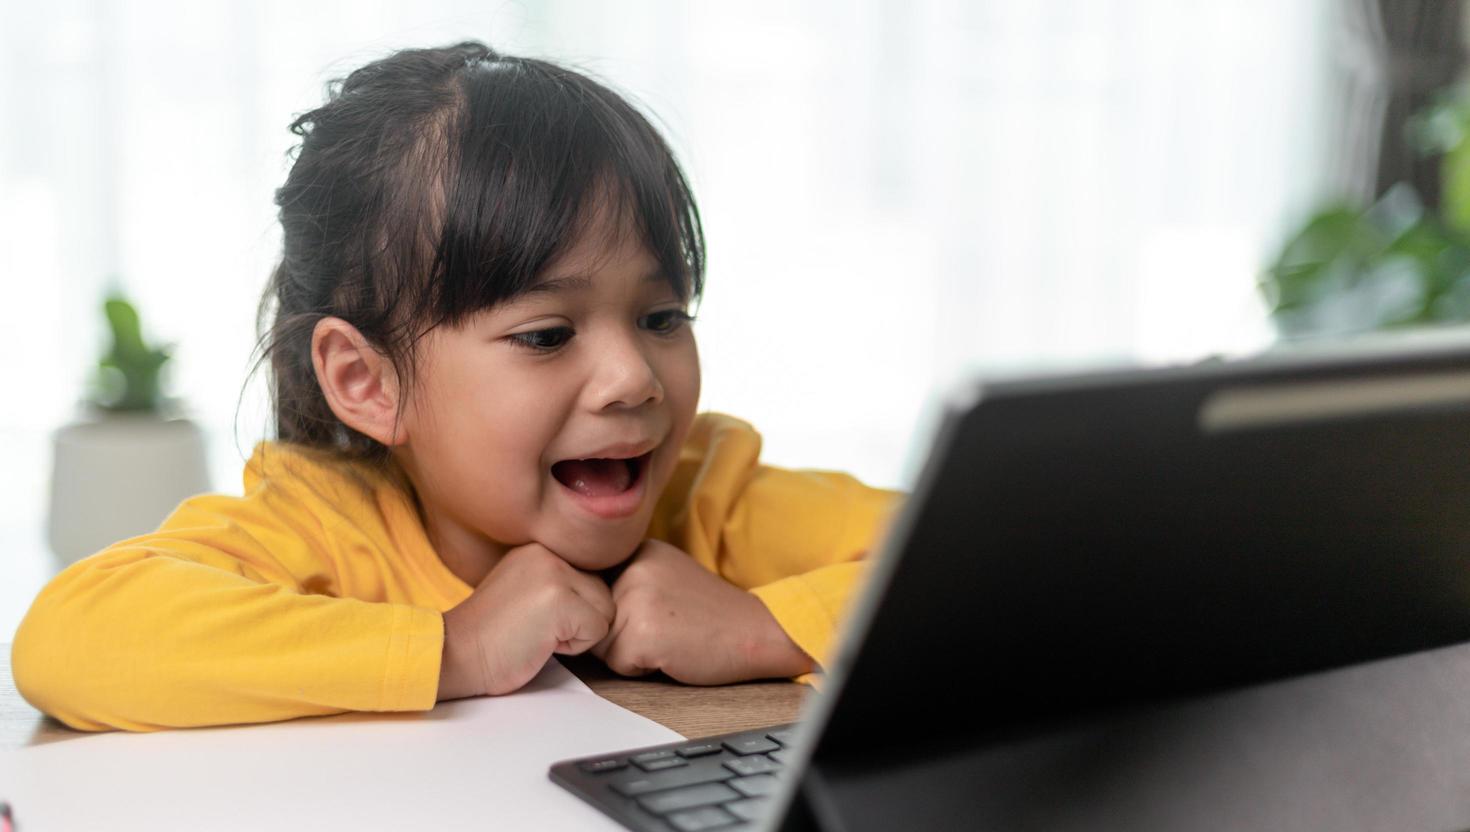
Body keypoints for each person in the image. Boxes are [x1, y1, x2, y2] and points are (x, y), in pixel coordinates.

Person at [12, 42, 900, 732]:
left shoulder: (711, 497)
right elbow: (71, 638)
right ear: (368, 381)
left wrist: (760, 631)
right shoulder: (325, 531)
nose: (633, 377)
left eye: (663, 317)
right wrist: (455, 649)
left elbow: (1009, 555)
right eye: (547, 335)